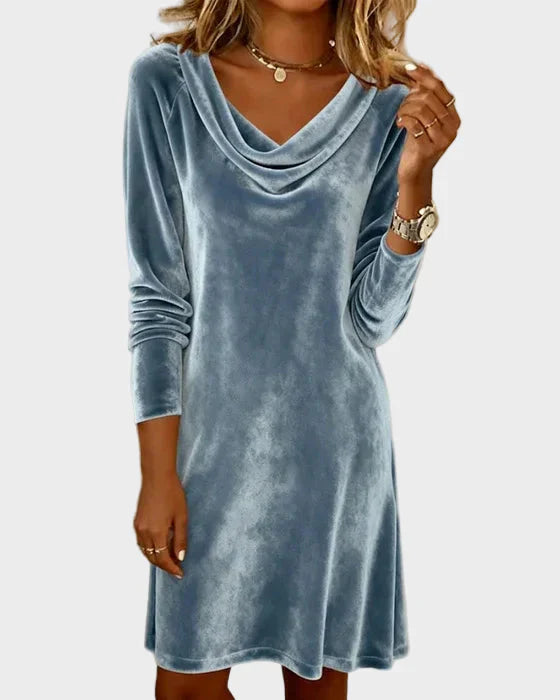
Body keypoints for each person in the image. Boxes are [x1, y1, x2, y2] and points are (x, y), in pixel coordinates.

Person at [122, 1, 460, 698]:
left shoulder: (387, 103)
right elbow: (158, 298)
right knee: (185, 687)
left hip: (334, 457)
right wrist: (157, 473)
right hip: (208, 452)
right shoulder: (166, 84)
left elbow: (371, 320)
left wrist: (416, 183)